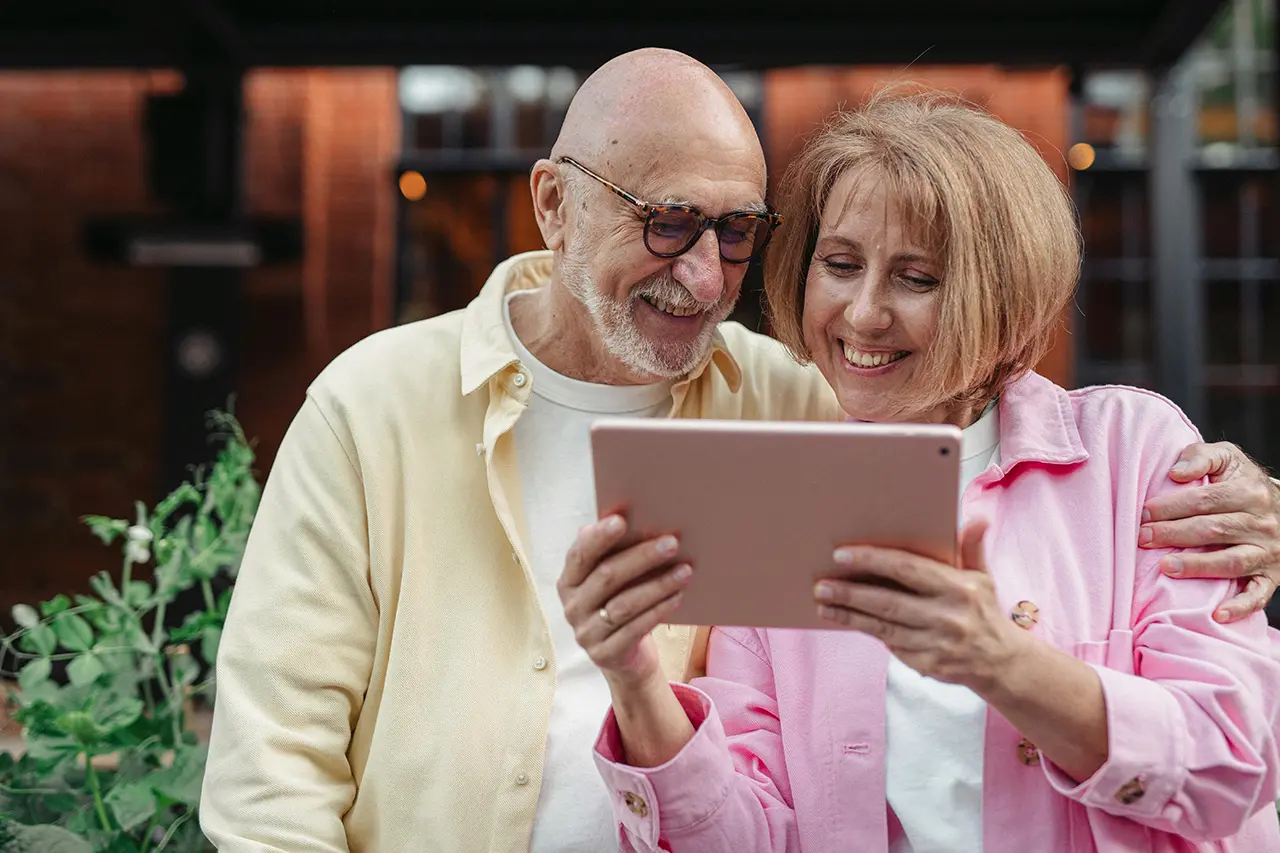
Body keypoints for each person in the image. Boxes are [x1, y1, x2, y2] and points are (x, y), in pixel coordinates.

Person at [200, 50, 1280, 852]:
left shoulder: (802, 429)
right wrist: (634, 679)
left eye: (734, 233)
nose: (707, 277)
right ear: (552, 205)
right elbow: (272, 774)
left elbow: (1232, 755)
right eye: (668, 220)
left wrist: (1259, 510)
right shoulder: (375, 401)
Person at [562, 90, 1280, 852]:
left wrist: (1000, 662)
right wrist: (635, 681)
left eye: (917, 277)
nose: (864, 313)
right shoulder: (777, 500)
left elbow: (1233, 764)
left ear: (1002, 291)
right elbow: (748, 836)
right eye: (839, 265)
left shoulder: (1134, 453)